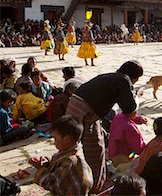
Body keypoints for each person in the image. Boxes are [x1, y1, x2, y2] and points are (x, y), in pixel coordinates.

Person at [65, 60, 144, 193]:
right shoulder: (124, 80)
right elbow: (129, 109)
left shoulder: (113, 77)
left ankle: (90, 178)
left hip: (77, 105)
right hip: (85, 111)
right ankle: (95, 185)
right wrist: (137, 96)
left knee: (89, 143)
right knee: (94, 148)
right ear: (135, 77)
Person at [29, 115, 93, 195]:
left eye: (55, 139)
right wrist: (47, 163)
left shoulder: (70, 161)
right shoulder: (73, 149)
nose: (54, 142)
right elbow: (57, 165)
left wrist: (40, 168)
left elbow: (49, 183)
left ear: (67, 139)